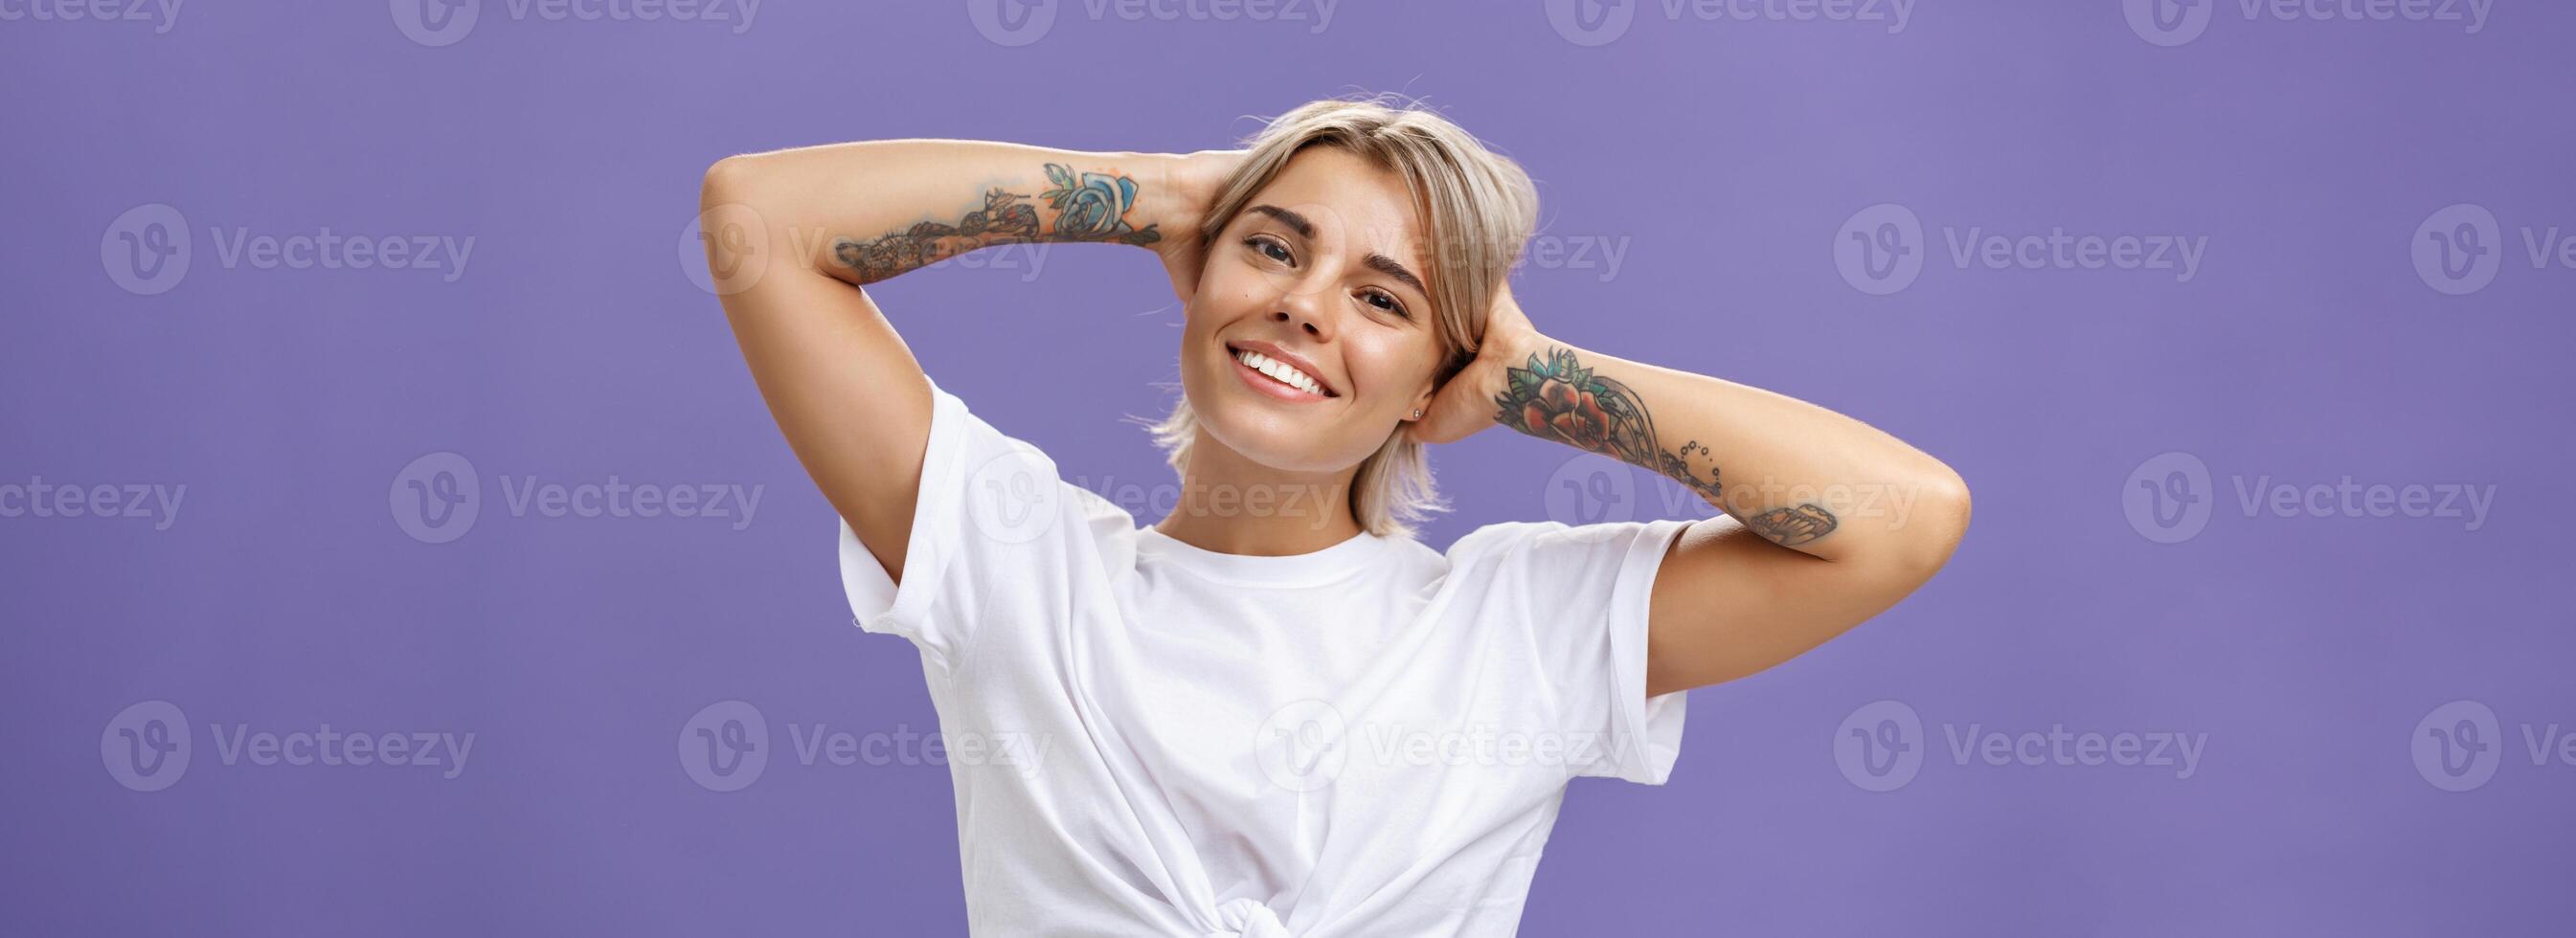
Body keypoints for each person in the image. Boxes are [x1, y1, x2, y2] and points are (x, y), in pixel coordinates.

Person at [699, 93, 1970, 937]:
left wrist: (1536, 382)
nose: (1307, 304)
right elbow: (762, 218)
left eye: (1384, 299)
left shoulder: (1519, 623)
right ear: (1198, 277)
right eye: (1272, 248)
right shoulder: (1014, 562)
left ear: (1439, 372)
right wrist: (1157, 195)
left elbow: (1900, 517)